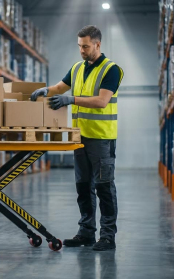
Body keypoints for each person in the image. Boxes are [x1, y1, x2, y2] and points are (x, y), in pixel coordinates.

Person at [30, 25, 124, 251]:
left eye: (86, 46)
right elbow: (60, 87)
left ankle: (108, 236)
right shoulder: (77, 68)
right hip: (79, 138)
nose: (81, 50)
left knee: (104, 188)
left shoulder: (112, 70)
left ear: (97, 45)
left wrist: (70, 100)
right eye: (79, 46)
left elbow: (101, 101)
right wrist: (46, 90)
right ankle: (86, 233)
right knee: (83, 188)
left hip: (101, 139)